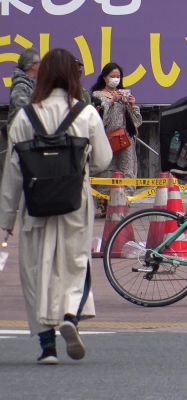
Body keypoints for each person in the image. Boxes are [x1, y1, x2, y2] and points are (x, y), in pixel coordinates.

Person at [0, 48, 112, 364]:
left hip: (35, 203)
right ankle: (69, 316)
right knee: (75, 263)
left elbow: (14, 169)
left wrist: (7, 217)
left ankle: (47, 347)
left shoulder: (24, 117)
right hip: (75, 201)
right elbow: (103, 160)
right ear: (73, 77)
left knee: (36, 268)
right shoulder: (86, 113)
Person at [91, 63, 143, 217]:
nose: (115, 79)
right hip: (106, 138)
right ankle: (103, 205)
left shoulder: (123, 95)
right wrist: (111, 101)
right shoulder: (97, 95)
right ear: (105, 77)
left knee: (126, 169)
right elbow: (97, 119)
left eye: (117, 76)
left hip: (125, 139)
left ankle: (123, 203)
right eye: (112, 76)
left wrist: (132, 105)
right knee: (105, 170)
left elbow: (137, 122)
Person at [4, 48, 40, 139]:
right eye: (39, 62)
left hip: (26, 136)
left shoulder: (31, 84)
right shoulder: (21, 87)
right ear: (33, 65)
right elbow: (22, 112)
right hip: (20, 138)